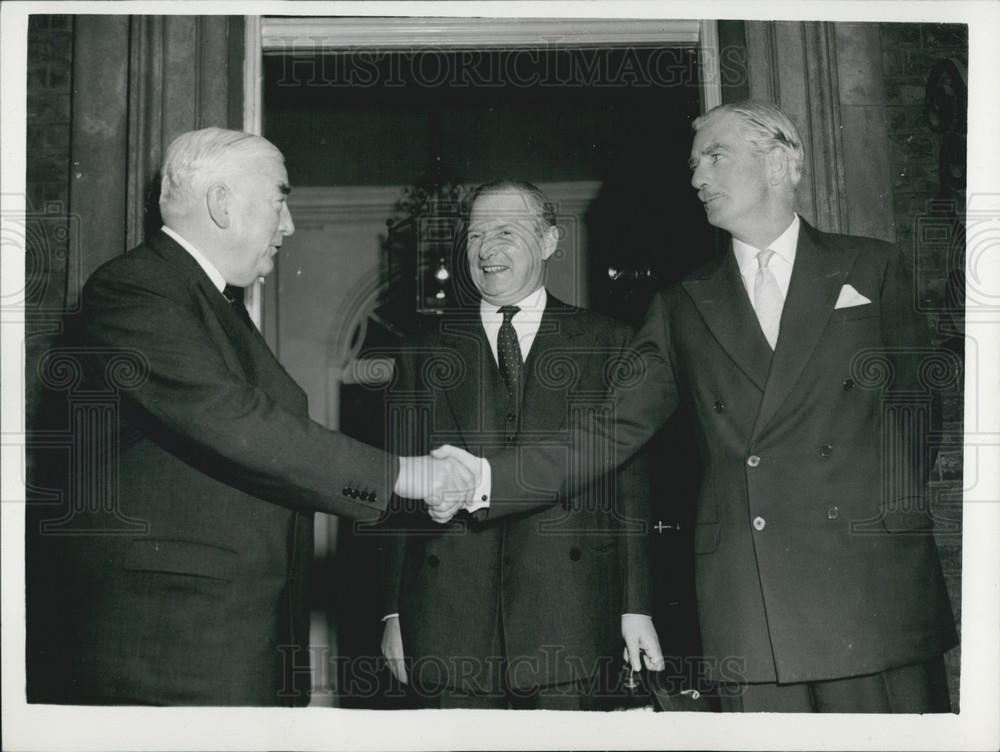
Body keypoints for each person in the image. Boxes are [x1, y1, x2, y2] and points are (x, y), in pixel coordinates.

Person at [459, 103, 958, 712]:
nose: (697, 178)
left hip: (872, 592)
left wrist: (885, 515)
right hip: (752, 605)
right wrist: (485, 480)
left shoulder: (873, 268)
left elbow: (918, 411)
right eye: (693, 164)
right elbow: (607, 432)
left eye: (715, 157)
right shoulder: (682, 304)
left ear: (781, 161)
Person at [51, 127, 475, 706]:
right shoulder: (135, 291)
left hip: (223, 634)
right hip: (173, 645)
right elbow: (234, 420)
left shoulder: (203, 297)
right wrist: (406, 475)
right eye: (279, 200)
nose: (289, 225)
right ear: (222, 204)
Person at [379, 180, 664, 709]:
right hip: (448, 618)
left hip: (571, 613)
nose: (486, 249)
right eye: (476, 235)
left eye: (506, 232)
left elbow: (631, 488)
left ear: (550, 241)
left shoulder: (610, 342)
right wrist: (393, 612)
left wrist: (636, 606)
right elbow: (398, 492)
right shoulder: (421, 351)